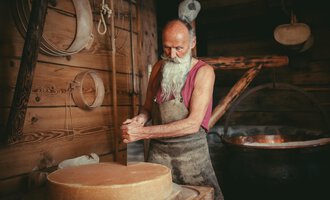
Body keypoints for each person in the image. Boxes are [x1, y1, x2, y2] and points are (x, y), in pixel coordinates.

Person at [121, 19, 224, 200]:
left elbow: (192, 124)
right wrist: (140, 119)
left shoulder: (204, 72)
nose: (172, 54)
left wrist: (142, 133)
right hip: (158, 155)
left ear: (192, 43)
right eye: (167, 47)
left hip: (192, 155)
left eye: (179, 48)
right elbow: (147, 108)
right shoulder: (159, 68)